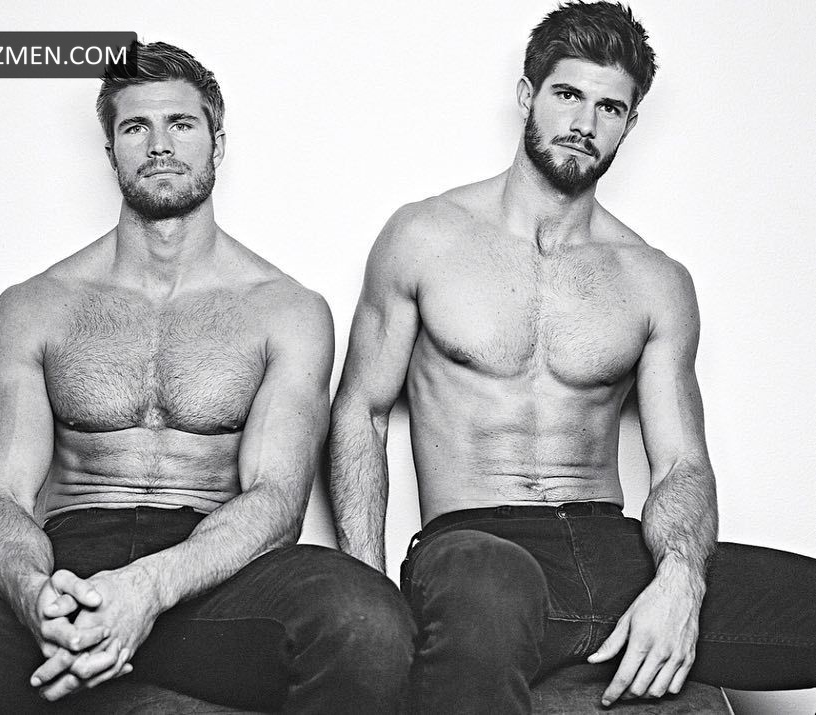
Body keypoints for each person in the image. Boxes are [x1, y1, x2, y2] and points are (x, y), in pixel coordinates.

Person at [328, 2, 816, 712]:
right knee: (487, 584)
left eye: (608, 106)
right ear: (527, 95)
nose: (584, 122)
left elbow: (680, 464)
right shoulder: (424, 237)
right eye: (567, 94)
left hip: (612, 550)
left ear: (629, 123)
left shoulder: (654, 279)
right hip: (477, 547)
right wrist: (368, 592)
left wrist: (678, 585)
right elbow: (361, 413)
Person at [0, 41, 414, 713]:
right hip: (70, 568)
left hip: (213, 572)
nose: (159, 145)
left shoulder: (286, 310)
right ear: (110, 151)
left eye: (180, 123)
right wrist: (38, 598)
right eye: (135, 127)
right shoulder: (35, 307)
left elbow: (276, 499)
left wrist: (147, 588)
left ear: (217, 142)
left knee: (366, 622)